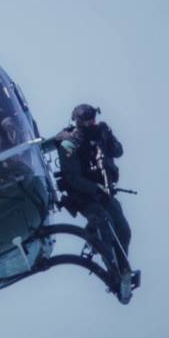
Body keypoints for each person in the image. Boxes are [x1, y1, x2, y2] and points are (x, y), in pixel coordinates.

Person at [55, 104, 132, 254]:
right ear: (77, 122)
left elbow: (118, 151)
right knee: (103, 221)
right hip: (82, 196)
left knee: (123, 230)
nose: (91, 124)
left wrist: (109, 138)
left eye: (92, 120)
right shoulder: (69, 142)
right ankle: (108, 259)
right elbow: (73, 177)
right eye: (86, 122)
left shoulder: (100, 134)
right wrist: (96, 189)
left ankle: (123, 268)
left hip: (104, 193)